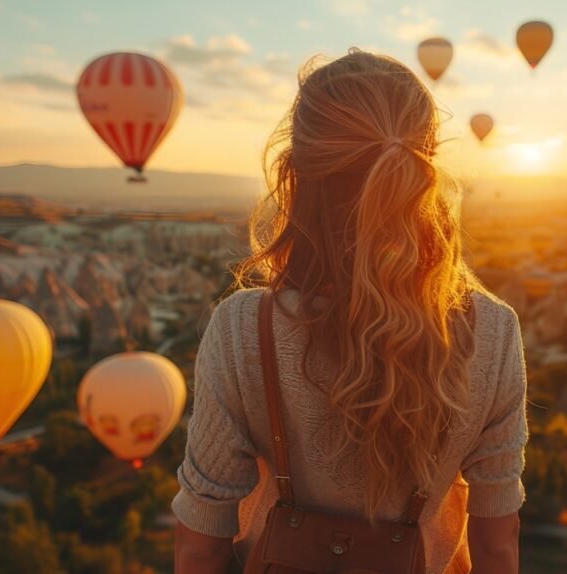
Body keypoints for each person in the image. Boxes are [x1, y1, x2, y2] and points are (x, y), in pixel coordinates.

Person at [172, 49, 527, 574]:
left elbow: (200, 546)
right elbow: (497, 547)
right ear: (425, 165)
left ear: (293, 174)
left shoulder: (243, 329)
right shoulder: (491, 331)